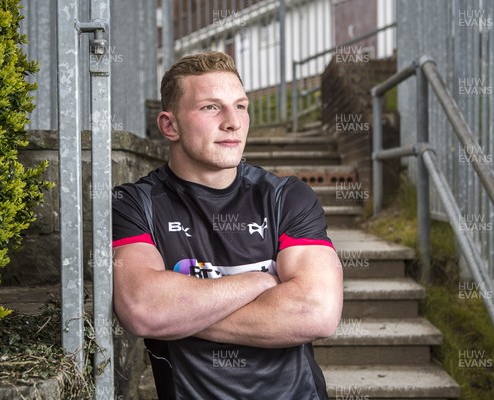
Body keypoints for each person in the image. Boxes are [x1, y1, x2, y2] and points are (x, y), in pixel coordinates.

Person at [112, 51, 343, 400]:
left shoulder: (287, 198)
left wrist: (181, 313)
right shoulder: (135, 205)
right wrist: (261, 281)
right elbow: (144, 309)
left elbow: (316, 312)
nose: (233, 122)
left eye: (241, 106)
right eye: (210, 107)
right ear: (169, 125)